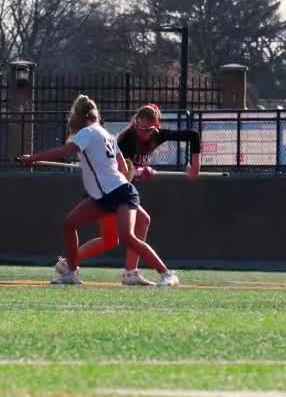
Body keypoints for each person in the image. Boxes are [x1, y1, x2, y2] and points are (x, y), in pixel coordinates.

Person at [19, 94, 178, 288]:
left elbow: (64, 152)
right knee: (70, 223)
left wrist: (33, 158)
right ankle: (70, 273)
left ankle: (167, 274)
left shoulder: (86, 132)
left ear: (80, 117)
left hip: (119, 193)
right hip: (106, 195)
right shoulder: (105, 134)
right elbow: (122, 167)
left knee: (126, 237)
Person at [71, 104, 204, 278]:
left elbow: (193, 135)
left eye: (147, 129)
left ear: (156, 127)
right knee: (131, 228)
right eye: (138, 126)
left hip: (120, 191)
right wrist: (141, 171)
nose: (141, 132)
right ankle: (128, 271)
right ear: (135, 122)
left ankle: (73, 264)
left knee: (113, 238)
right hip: (108, 190)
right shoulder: (126, 139)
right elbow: (120, 171)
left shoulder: (158, 135)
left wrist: (195, 165)